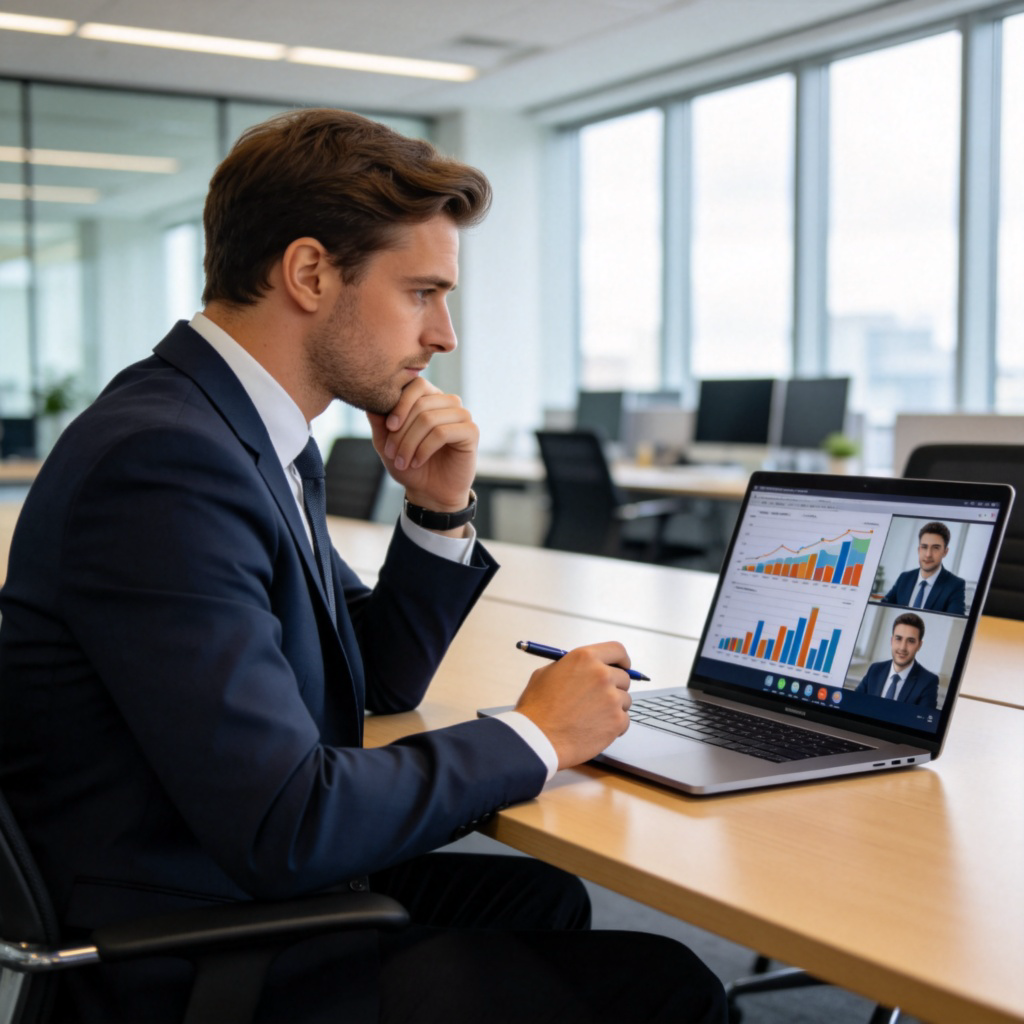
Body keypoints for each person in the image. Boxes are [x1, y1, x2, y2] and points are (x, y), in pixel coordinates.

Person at [0, 109, 726, 1024]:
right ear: (308, 273)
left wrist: (437, 507)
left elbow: (372, 678)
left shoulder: (243, 434)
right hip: (178, 949)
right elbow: (288, 822)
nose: (445, 335)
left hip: (212, 866)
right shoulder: (166, 465)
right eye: (422, 291)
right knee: (673, 990)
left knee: (546, 901)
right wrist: (536, 734)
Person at [854, 612, 939, 708]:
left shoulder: (928, 682)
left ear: (919, 645)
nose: (902, 648)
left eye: (911, 641)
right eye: (898, 638)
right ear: (892, 641)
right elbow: (855, 704)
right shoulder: (875, 669)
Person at [880, 521, 967, 615]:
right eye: (924, 547)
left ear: (945, 552)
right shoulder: (904, 578)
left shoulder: (955, 585)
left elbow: (956, 621)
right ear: (919, 550)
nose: (928, 554)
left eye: (935, 548)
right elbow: (883, 608)